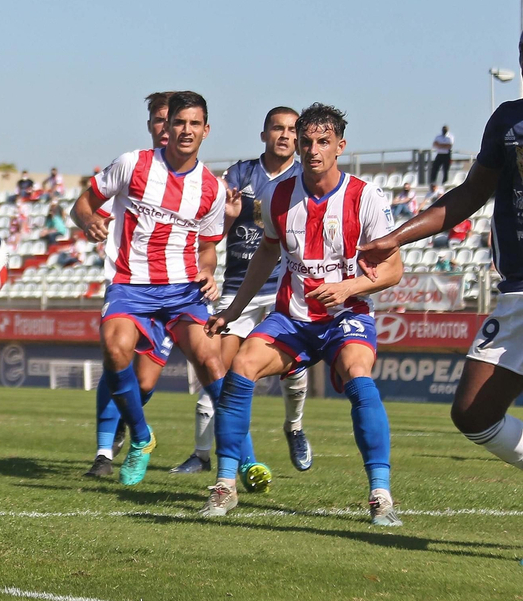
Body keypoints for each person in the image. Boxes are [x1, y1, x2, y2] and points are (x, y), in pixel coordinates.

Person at [203, 103, 404, 525]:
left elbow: (393, 270)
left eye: (323, 142)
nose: (313, 150)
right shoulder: (278, 195)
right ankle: (224, 485)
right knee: (241, 366)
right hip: (293, 318)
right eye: (307, 141)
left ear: (340, 146)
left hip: (346, 316)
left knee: (358, 374)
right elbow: (267, 252)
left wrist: (348, 288)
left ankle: (380, 493)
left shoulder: (365, 196)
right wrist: (232, 310)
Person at [359, 49, 523, 483]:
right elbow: (469, 194)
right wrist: (396, 237)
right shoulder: (508, 121)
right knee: (473, 413)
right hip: (517, 292)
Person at [71, 91, 237, 485]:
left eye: (187, 122)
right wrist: (89, 222)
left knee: (173, 374)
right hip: (131, 285)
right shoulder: (133, 165)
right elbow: (83, 205)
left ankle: (241, 461)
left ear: (204, 129)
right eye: (167, 121)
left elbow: (208, 245)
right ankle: (113, 447)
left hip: (180, 294)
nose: (175, 129)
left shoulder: (209, 186)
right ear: (153, 125)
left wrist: (208, 269)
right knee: (116, 352)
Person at [171, 107, 311, 476]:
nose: (285, 135)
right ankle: (201, 455)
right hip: (238, 289)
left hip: (284, 288)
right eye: (277, 128)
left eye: (292, 130)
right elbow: (212, 231)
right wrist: (230, 215)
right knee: (218, 370)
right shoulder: (240, 173)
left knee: (294, 367)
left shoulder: (304, 177)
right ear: (264, 134)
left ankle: (294, 427)